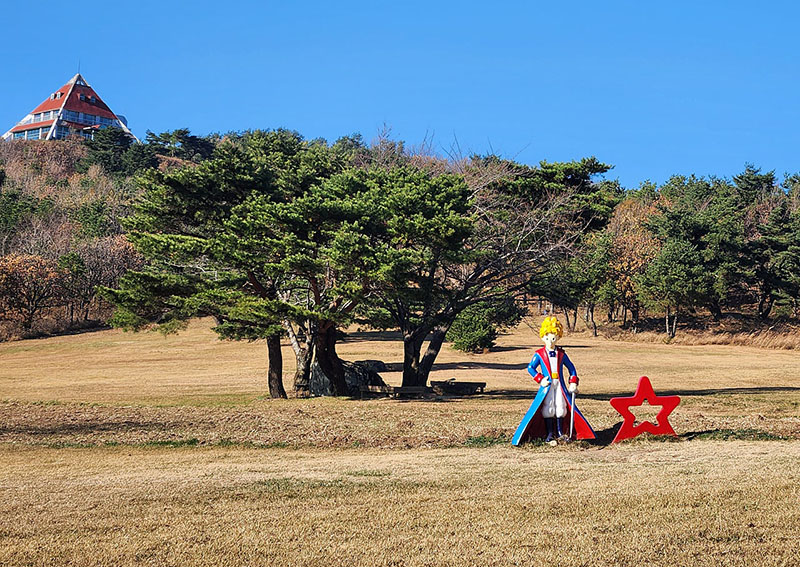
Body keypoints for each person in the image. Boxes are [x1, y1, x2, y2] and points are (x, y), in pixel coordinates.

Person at [511, 316, 595, 445]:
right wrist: (540, 379)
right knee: (548, 408)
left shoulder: (561, 354)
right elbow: (530, 368)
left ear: (558, 337)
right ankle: (550, 433)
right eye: (547, 338)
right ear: (542, 337)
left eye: (553, 338)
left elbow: (571, 368)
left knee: (561, 407)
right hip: (548, 385)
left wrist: (573, 383)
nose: (550, 341)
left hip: (559, 385)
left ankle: (561, 432)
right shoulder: (539, 354)